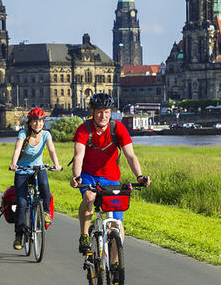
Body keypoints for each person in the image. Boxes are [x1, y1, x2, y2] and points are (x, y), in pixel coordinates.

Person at [70, 93, 149, 256]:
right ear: (92, 111)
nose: (103, 116)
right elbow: (79, 155)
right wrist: (77, 177)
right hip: (88, 176)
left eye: (106, 111)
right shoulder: (84, 129)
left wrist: (139, 176)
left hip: (111, 178)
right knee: (89, 198)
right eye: (99, 111)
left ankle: (114, 265)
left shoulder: (117, 128)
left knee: (117, 226)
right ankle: (84, 235)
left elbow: (130, 156)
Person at [9, 107, 61, 250]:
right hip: (22, 171)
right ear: (30, 123)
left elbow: (51, 150)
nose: (37, 124)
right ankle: (19, 236)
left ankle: (46, 212)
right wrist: (14, 164)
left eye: (40, 121)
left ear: (43, 122)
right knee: (22, 204)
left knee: (45, 187)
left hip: (38, 168)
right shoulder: (23, 133)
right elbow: (17, 148)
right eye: (34, 121)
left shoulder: (46, 135)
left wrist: (56, 164)